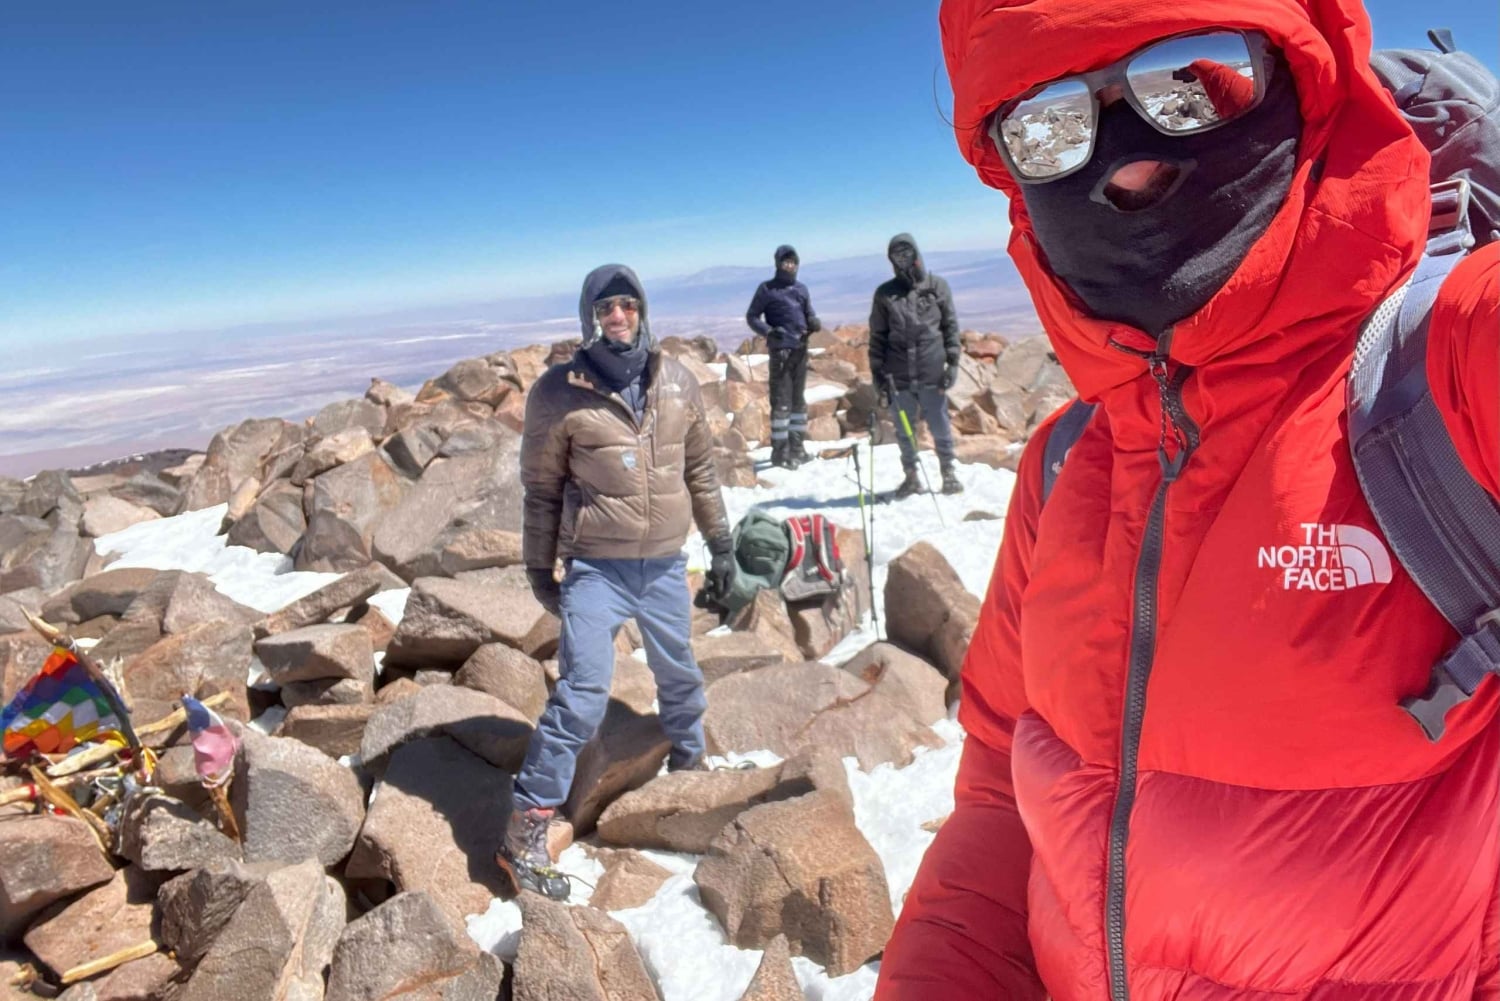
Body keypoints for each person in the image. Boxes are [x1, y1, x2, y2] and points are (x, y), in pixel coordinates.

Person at [877, 1, 1499, 998]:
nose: (1124, 166)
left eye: (1190, 80)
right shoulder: (1064, 461)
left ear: (1305, 76)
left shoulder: (1444, 372)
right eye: (1046, 123)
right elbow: (1001, 791)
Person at [504, 263, 737, 901]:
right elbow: (542, 490)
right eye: (605, 308)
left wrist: (721, 545)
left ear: (643, 312)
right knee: (581, 694)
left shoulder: (676, 381)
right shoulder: (558, 393)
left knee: (681, 675)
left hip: (662, 563)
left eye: (628, 306)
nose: (618, 317)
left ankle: (690, 773)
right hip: (596, 568)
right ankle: (527, 823)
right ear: (589, 318)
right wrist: (537, 566)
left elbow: (702, 472)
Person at [869, 234, 964, 496]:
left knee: (940, 425)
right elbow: (878, 336)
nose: (903, 259)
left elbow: (950, 328)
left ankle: (949, 473)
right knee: (904, 431)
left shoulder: (937, 287)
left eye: (906, 253)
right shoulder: (885, 294)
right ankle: (911, 477)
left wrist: (952, 364)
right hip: (897, 375)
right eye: (897, 255)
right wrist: (877, 374)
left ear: (916, 253)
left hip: (931, 371)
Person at [745, 244, 822, 468]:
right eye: (785, 262)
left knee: (798, 402)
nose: (789, 266)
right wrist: (769, 332)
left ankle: (797, 448)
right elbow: (752, 317)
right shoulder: (767, 289)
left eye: (793, 262)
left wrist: (814, 322)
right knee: (782, 403)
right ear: (778, 264)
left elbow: (808, 313)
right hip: (781, 352)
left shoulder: (801, 289)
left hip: (800, 349)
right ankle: (780, 453)